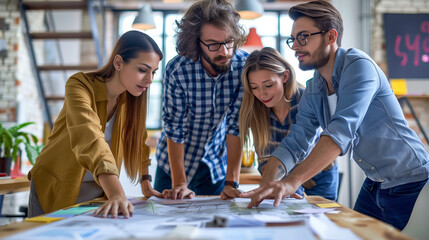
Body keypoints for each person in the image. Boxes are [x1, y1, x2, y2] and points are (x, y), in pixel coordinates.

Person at [241, 0, 429, 230]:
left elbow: (340, 133)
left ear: (330, 36)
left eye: (304, 37)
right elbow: (297, 140)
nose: (295, 47)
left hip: (411, 181)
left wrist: (290, 183)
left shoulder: (359, 66)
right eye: (293, 39)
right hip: (375, 182)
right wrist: (269, 182)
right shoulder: (314, 87)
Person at [28, 30, 163, 218]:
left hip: (96, 191)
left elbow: (139, 141)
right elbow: (89, 136)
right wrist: (117, 193)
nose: (150, 80)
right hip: (56, 184)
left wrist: (146, 183)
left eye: (154, 72)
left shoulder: (131, 99)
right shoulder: (79, 85)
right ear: (118, 62)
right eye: (142, 70)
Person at [155, 0, 248, 200]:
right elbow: (174, 127)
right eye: (214, 45)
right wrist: (180, 183)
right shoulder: (178, 70)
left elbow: (236, 126)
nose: (224, 52)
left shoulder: (243, 67)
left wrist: (232, 183)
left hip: (213, 167)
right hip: (172, 167)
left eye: (229, 42)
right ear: (195, 42)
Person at [239, 47, 338, 201]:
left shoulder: (306, 98)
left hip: (321, 175)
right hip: (283, 179)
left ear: (285, 76)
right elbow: (265, 161)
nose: (262, 94)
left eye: (268, 85)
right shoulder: (256, 112)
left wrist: (296, 178)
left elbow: (313, 143)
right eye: (254, 88)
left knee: (324, 219)